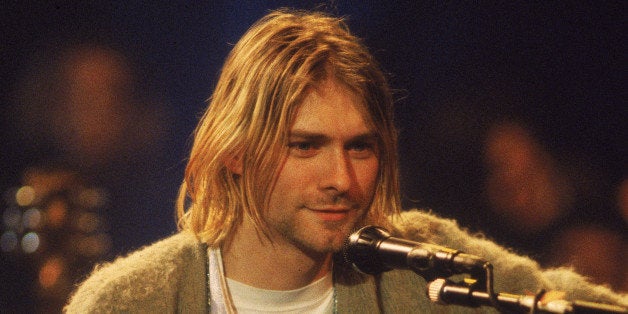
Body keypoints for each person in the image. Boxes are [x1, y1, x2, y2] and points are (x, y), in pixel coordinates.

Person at [64, 9, 627, 313]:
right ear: (234, 152)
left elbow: (568, 301)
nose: (342, 180)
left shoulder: (416, 270)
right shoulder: (128, 303)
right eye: (305, 146)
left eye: (361, 146)